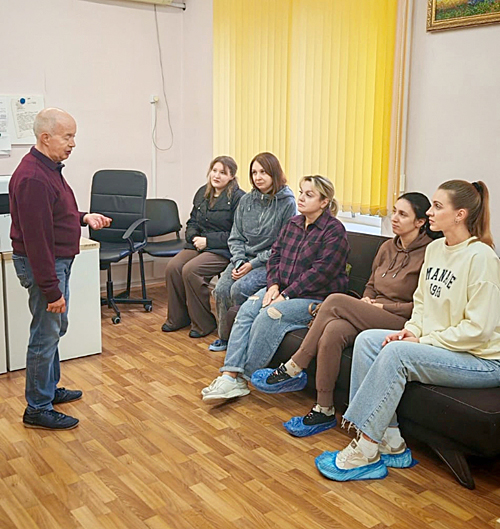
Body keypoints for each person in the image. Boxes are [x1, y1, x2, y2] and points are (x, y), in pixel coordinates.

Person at [315, 180, 500, 482]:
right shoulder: (436, 249)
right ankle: (390, 440)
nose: (429, 212)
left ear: (460, 215)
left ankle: (366, 449)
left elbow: (478, 330)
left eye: (437, 206)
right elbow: (422, 303)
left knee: (397, 353)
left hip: (481, 360)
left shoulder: (482, 257)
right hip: (441, 345)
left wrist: (422, 340)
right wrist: (412, 330)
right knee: (367, 341)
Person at [251, 193, 437, 437]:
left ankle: (296, 365)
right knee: (333, 330)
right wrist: (366, 300)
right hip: (372, 309)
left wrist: (382, 308)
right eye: (394, 211)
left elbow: (421, 306)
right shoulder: (387, 247)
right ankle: (324, 409)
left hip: (402, 319)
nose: (394, 218)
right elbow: (371, 284)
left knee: (335, 300)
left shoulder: (430, 254)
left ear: (420, 222)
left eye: (402, 214)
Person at [201, 175, 350, 402]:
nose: (301, 198)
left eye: (309, 195)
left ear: (324, 202)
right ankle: (229, 375)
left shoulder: (334, 231)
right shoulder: (294, 224)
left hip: (316, 298)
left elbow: (321, 273)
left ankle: (244, 378)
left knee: (270, 314)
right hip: (283, 289)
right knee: (248, 309)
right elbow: (275, 257)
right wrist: (273, 286)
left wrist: (286, 295)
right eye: (301, 192)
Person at [9, 108, 112, 430]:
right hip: (47, 264)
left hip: (55, 262)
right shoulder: (33, 178)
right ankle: (38, 407)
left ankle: (48, 389)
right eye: (68, 137)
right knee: (45, 335)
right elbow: (37, 239)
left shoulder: (48, 168)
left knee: (53, 330)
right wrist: (51, 290)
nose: (73, 143)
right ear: (46, 137)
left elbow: (55, 212)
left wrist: (83, 217)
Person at [209, 152, 296, 352]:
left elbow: (281, 246)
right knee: (221, 289)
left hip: (268, 262)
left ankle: (244, 338)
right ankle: (226, 337)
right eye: (254, 172)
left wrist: (252, 264)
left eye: (263, 172)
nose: (258, 177)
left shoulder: (287, 203)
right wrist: (240, 260)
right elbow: (235, 236)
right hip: (242, 259)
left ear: (274, 173)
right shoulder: (246, 200)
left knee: (239, 289)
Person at [162, 156, 245, 338]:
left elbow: (237, 233)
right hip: (197, 245)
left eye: (223, 172)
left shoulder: (239, 198)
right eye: (214, 171)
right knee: (173, 267)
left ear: (231, 176)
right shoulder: (202, 192)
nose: (217, 176)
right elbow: (192, 221)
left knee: (191, 270)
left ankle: (203, 324)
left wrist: (208, 241)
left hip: (222, 249)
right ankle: (178, 318)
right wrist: (193, 237)